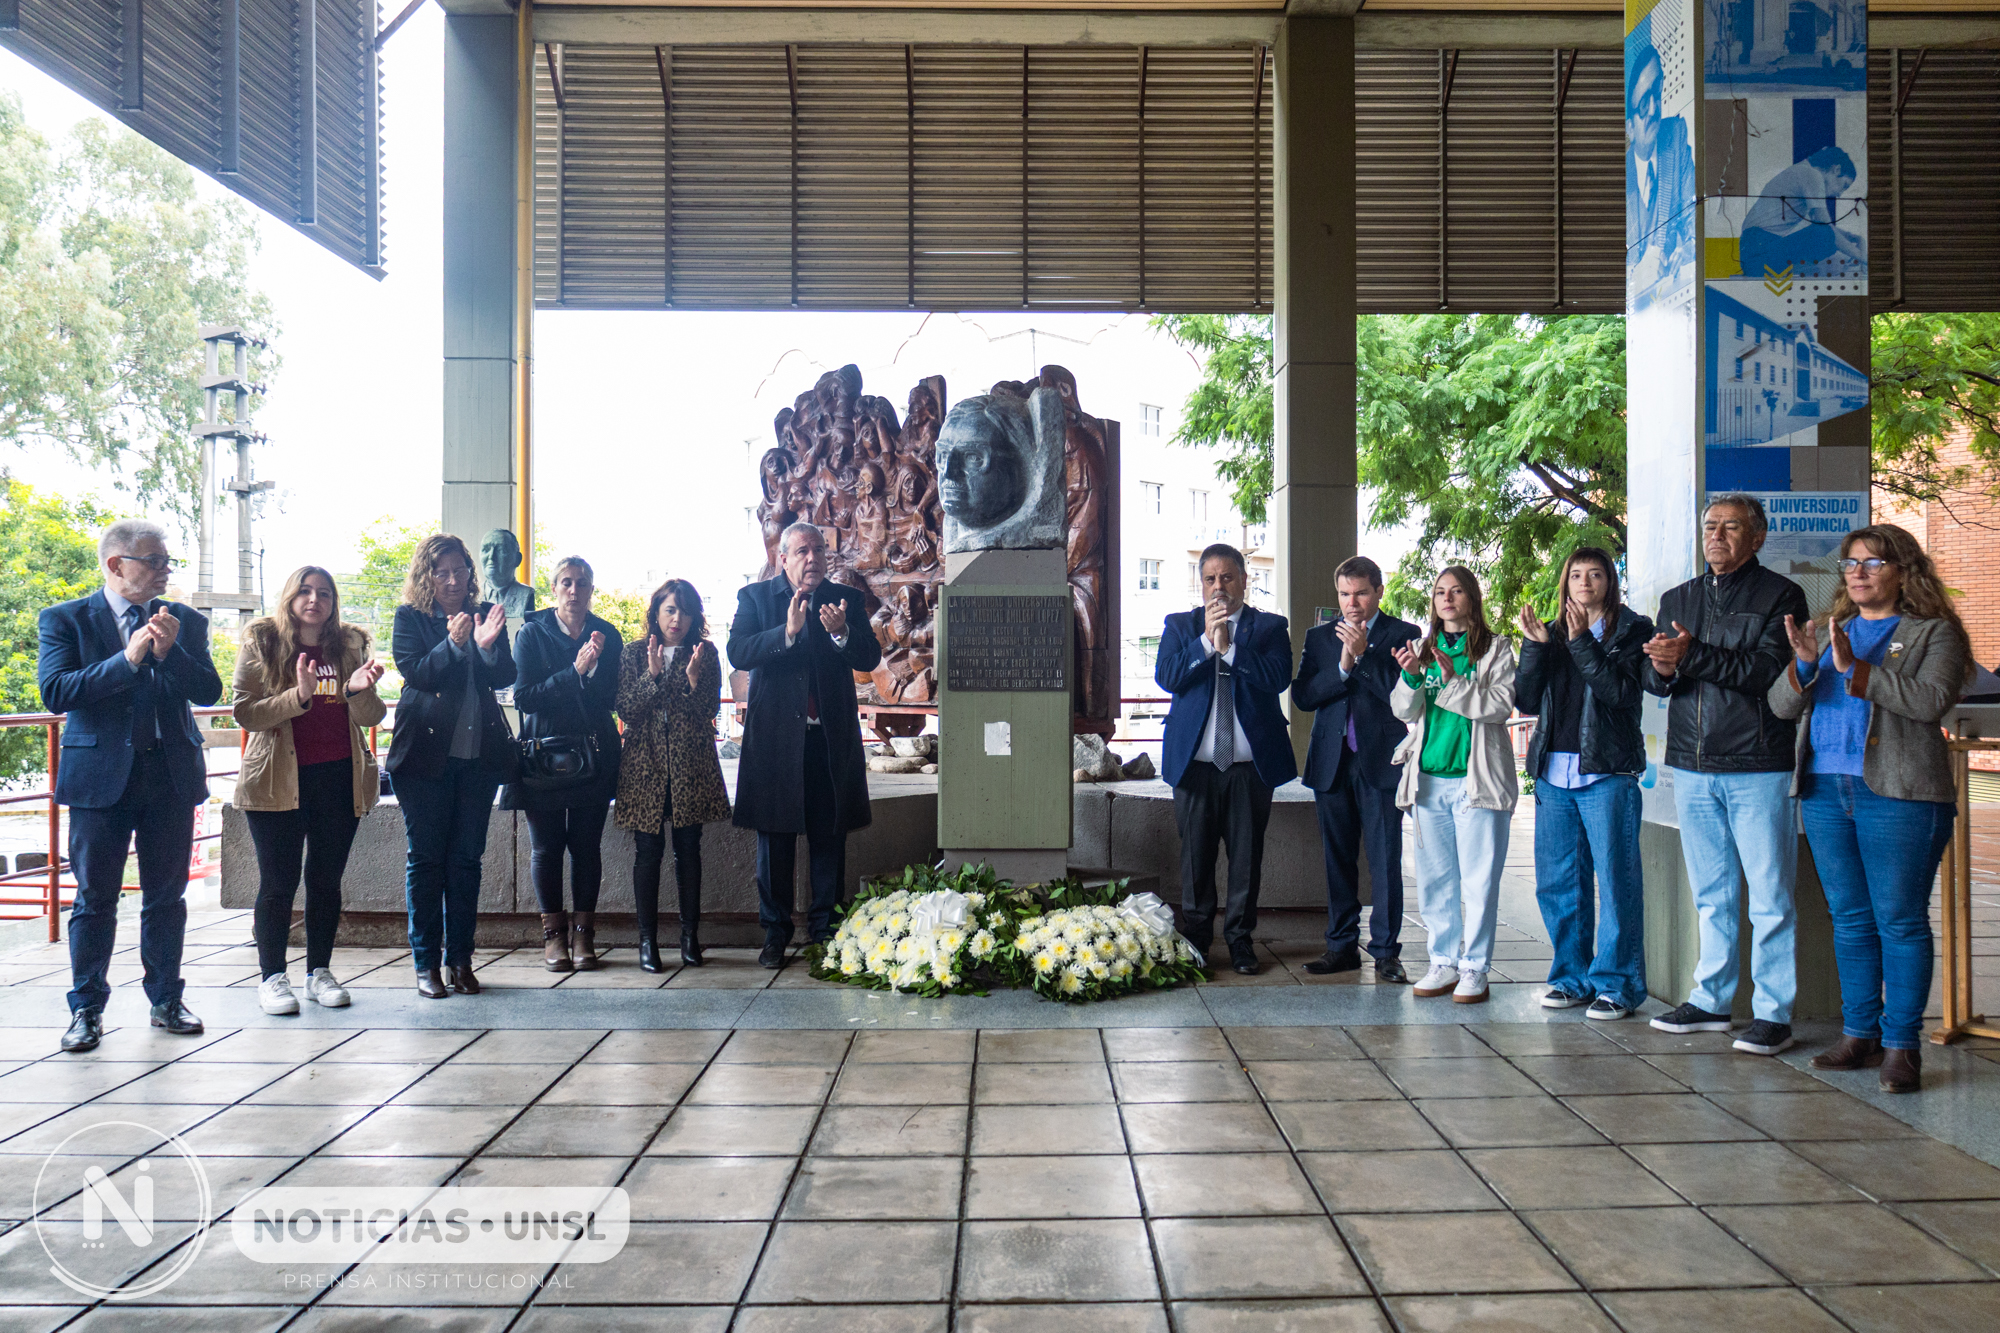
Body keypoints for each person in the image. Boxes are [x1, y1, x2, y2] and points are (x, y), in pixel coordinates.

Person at [1772, 525, 1970, 1093]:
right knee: (1851, 920)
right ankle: (1859, 1033)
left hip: (1899, 792)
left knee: (1899, 921)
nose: (1857, 573)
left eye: (1873, 563)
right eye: (1851, 564)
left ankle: (1902, 1045)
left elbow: (1932, 699)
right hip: (1825, 789)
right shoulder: (1825, 630)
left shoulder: (1933, 633)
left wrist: (1858, 670)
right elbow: (1781, 705)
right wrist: (1806, 665)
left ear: (1904, 571)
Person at [38, 519, 223, 1053]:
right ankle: (87, 1010)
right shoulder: (65, 619)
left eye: (168, 561)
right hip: (99, 780)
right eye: (156, 561)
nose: (166, 571)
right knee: (95, 897)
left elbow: (208, 689)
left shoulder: (182, 620)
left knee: (167, 896)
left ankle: (166, 1000)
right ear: (117, 565)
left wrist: (169, 652)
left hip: (169, 775)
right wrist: (128, 658)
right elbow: (57, 691)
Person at [1642, 493, 1810, 1055]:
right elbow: (1665, 682)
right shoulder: (1678, 597)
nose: (1716, 535)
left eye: (1730, 527)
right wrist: (1662, 669)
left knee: (1770, 897)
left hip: (1757, 763)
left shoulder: (1782, 595)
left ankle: (1774, 1013)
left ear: (1757, 537)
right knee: (1712, 895)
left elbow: (1766, 672)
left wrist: (1688, 656)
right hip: (1690, 765)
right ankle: (1711, 1000)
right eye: (1710, 526)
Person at [233, 567, 389, 1015]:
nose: (314, 600)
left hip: (339, 777)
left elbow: (370, 717)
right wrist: (297, 697)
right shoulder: (262, 640)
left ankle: (319, 971)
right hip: (277, 780)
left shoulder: (351, 644)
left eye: (323, 593)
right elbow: (245, 713)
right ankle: (272, 978)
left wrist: (357, 690)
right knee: (278, 883)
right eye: (304, 591)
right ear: (290, 597)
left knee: (325, 881)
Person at [728, 523, 882, 968]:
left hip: (827, 742)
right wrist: (787, 633)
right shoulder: (755, 599)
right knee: (774, 842)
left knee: (828, 839)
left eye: (819, 549)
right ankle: (775, 934)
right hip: (776, 743)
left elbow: (869, 658)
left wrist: (842, 635)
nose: (812, 558)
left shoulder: (846, 600)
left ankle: (825, 931)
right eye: (802, 551)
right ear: (784, 558)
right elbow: (738, 651)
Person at [1515, 547, 1655, 1021]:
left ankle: (1618, 985)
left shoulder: (1634, 630)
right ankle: (1571, 979)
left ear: (1610, 582)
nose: (1585, 582)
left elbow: (1621, 694)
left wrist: (1580, 643)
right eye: (1576, 574)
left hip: (1607, 773)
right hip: (1554, 774)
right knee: (1559, 884)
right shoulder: (1550, 634)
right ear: (1565, 582)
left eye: (1595, 574)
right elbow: (1526, 699)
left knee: (1616, 882)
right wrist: (1535, 647)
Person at [1157, 543, 1297, 975]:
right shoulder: (1180, 626)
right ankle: (1197, 941)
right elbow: (1168, 677)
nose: (1219, 587)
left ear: (1243, 580)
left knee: (1246, 858)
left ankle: (1240, 941)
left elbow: (1277, 679)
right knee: (1195, 860)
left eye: (1227, 577)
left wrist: (1231, 649)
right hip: (1195, 769)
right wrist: (1206, 642)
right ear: (1201, 584)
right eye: (1210, 579)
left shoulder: (1270, 627)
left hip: (1248, 770)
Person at [386, 534, 516, 999]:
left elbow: (506, 677)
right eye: (441, 572)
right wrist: (453, 645)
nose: (453, 579)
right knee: (426, 862)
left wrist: (483, 646)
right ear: (427, 576)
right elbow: (415, 671)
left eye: (460, 570)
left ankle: (460, 960)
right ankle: (426, 965)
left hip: (477, 762)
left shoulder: (483, 613)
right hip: (423, 761)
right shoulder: (411, 618)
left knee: (466, 862)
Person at [1390, 566, 1518, 1005]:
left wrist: (1452, 682)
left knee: (1479, 881)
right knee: (1435, 880)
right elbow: (1404, 711)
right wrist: (1410, 676)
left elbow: (1499, 706)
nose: (1447, 598)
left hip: (1476, 781)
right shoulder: (1423, 650)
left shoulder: (1495, 649)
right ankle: (1443, 960)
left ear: (1471, 598)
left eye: (1456, 590)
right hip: (1429, 780)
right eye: (1440, 591)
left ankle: (1475, 968)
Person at [1292, 556, 1422, 981]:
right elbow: (1305, 697)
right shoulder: (1319, 636)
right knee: (1338, 859)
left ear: (1379, 592)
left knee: (1386, 860)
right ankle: (1341, 946)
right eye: (1345, 594)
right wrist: (1344, 665)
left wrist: (1365, 658)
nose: (1353, 602)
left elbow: (1400, 697)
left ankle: (1386, 952)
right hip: (1331, 763)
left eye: (1361, 593)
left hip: (1380, 762)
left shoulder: (1404, 634)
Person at [504, 557, 623, 973]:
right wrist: (574, 671)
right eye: (566, 583)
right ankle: (553, 936)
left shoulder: (607, 635)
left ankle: (584, 935)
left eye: (582, 583)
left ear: (592, 589)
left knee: (587, 847)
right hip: (542, 758)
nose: (575, 590)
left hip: (593, 756)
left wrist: (589, 674)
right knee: (547, 848)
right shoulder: (532, 634)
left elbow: (610, 699)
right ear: (554, 589)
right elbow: (525, 697)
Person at [616, 579, 731, 970]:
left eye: (684, 610)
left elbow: (707, 710)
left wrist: (694, 680)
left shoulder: (706, 653)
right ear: (656, 613)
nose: (677, 618)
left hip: (690, 765)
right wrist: (653, 675)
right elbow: (627, 710)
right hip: (645, 765)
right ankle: (647, 942)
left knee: (689, 851)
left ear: (695, 615)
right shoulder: (634, 653)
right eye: (669, 609)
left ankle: (689, 937)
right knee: (647, 853)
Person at [1738, 147, 1864, 275]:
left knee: (1823, 234)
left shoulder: (1801, 171)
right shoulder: (1812, 174)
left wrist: (1848, 236)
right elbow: (1825, 228)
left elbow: (1823, 225)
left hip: (1752, 252)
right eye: (1844, 185)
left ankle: (1797, 271)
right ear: (1836, 169)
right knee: (1823, 235)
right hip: (1757, 251)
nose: (1840, 194)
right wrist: (1863, 257)